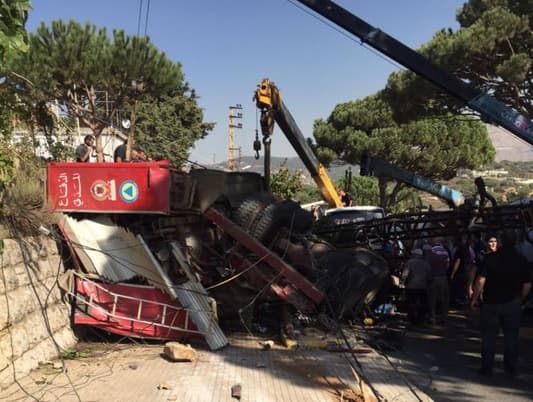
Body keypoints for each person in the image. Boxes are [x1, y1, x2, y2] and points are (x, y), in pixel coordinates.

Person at [470, 230, 531, 377]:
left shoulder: (490, 258)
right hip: (513, 303)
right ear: (515, 242)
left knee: (489, 336)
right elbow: (527, 285)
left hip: (491, 302)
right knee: (511, 337)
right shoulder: (521, 260)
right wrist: (520, 299)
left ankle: (486, 367)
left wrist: (474, 299)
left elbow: (480, 280)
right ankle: (510, 368)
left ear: (501, 241)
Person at [402, 248, 431, 325]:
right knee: (422, 304)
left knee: (411, 303)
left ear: (414, 255)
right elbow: (429, 277)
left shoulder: (409, 262)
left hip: (411, 286)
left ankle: (412, 319)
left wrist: (403, 282)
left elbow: (405, 274)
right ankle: (420, 319)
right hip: (422, 287)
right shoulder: (426, 264)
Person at [426, 237, 451, 325]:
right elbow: (448, 264)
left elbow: (428, 266)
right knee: (444, 299)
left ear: (434, 241)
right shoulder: (445, 251)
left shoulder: (431, 251)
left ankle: (432, 318)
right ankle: (443, 318)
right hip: (443, 277)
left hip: (433, 277)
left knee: (432, 299)